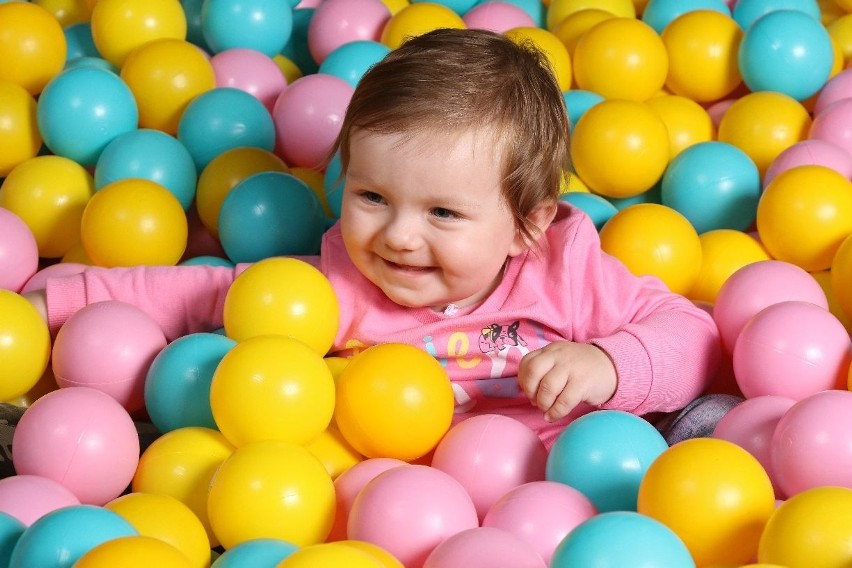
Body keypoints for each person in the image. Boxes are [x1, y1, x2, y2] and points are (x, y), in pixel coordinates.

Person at [24, 28, 724, 449]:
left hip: (590, 476)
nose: (397, 235)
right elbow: (199, 296)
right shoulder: (335, 288)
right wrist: (59, 301)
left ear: (526, 225)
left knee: (715, 422)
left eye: (443, 214)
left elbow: (694, 337)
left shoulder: (567, 270)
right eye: (372, 197)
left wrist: (608, 363)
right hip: (411, 499)